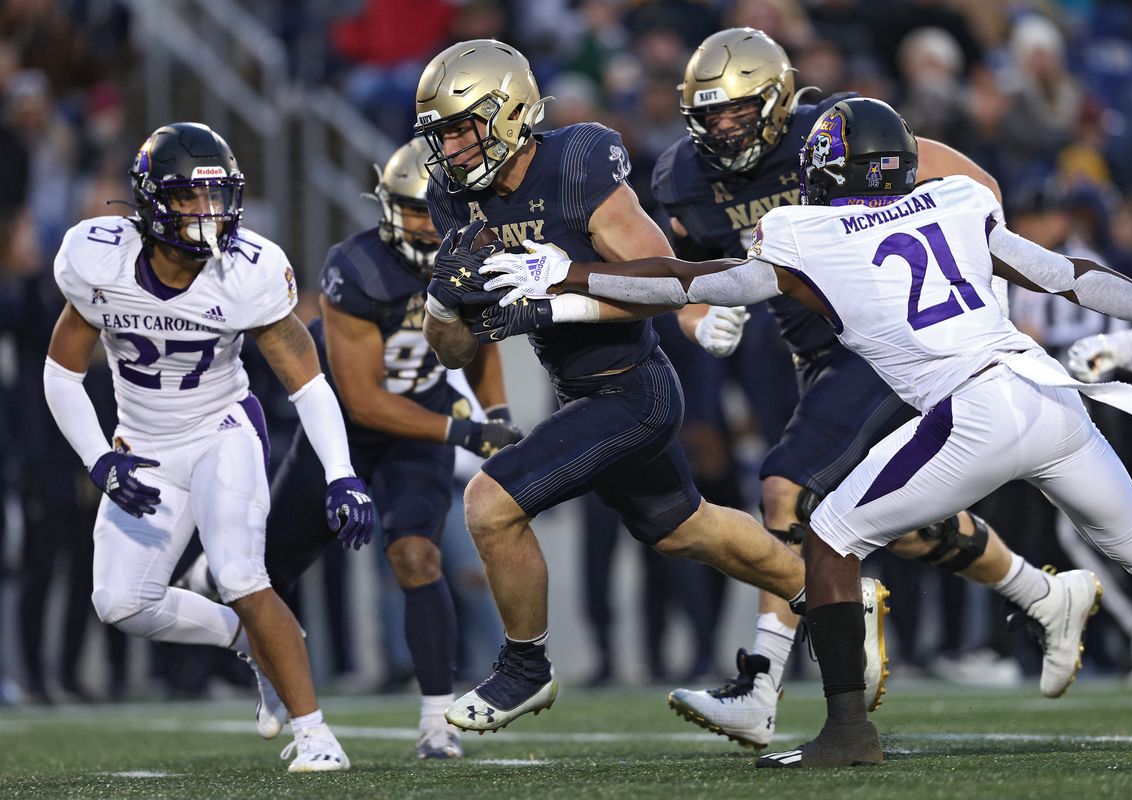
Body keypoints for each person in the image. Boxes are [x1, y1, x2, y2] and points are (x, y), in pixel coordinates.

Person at [477, 96, 1132, 767]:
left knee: (828, 537)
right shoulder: (957, 199)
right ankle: (1019, 604)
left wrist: (573, 276)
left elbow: (689, 282)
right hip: (1053, 399)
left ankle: (847, 731)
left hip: (976, 409)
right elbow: (1069, 275)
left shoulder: (806, 232)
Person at [642, 27, 1092, 749]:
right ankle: (1043, 596)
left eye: (739, 109)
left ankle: (761, 684)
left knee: (785, 488)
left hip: (889, 343)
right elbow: (683, 271)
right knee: (898, 523)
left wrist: (964, 293)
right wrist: (699, 318)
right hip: (815, 353)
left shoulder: (838, 128)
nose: (724, 127)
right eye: (711, 113)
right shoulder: (681, 179)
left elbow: (977, 188)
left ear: (779, 97)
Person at [412, 39, 816, 734]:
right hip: (579, 390)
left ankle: (526, 668)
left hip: (632, 388)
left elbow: (658, 282)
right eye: (440, 133)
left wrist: (554, 302)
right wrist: (443, 306)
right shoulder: (453, 196)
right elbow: (454, 348)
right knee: (688, 531)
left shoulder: (574, 163)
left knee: (490, 504)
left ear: (507, 113)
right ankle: (826, 588)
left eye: (460, 127)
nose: (450, 148)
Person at [42, 123, 374, 772]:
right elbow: (60, 372)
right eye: (189, 199)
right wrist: (98, 457)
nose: (208, 213)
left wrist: (341, 473)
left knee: (241, 574)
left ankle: (315, 735)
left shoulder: (246, 271)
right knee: (118, 603)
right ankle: (251, 641)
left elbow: (307, 382)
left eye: (217, 196)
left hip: (222, 431)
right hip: (142, 446)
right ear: (150, 202)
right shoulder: (98, 261)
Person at [176, 138, 521, 758]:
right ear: (386, 205)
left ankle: (437, 722)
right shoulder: (357, 266)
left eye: (431, 209)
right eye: (410, 209)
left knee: (417, 556)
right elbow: (360, 400)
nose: (421, 222)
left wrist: (494, 411)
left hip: (418, 436)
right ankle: (245, 633)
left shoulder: (476, 251)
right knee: (266, 571)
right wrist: (465, 431)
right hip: (343, 435)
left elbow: (484, 336)